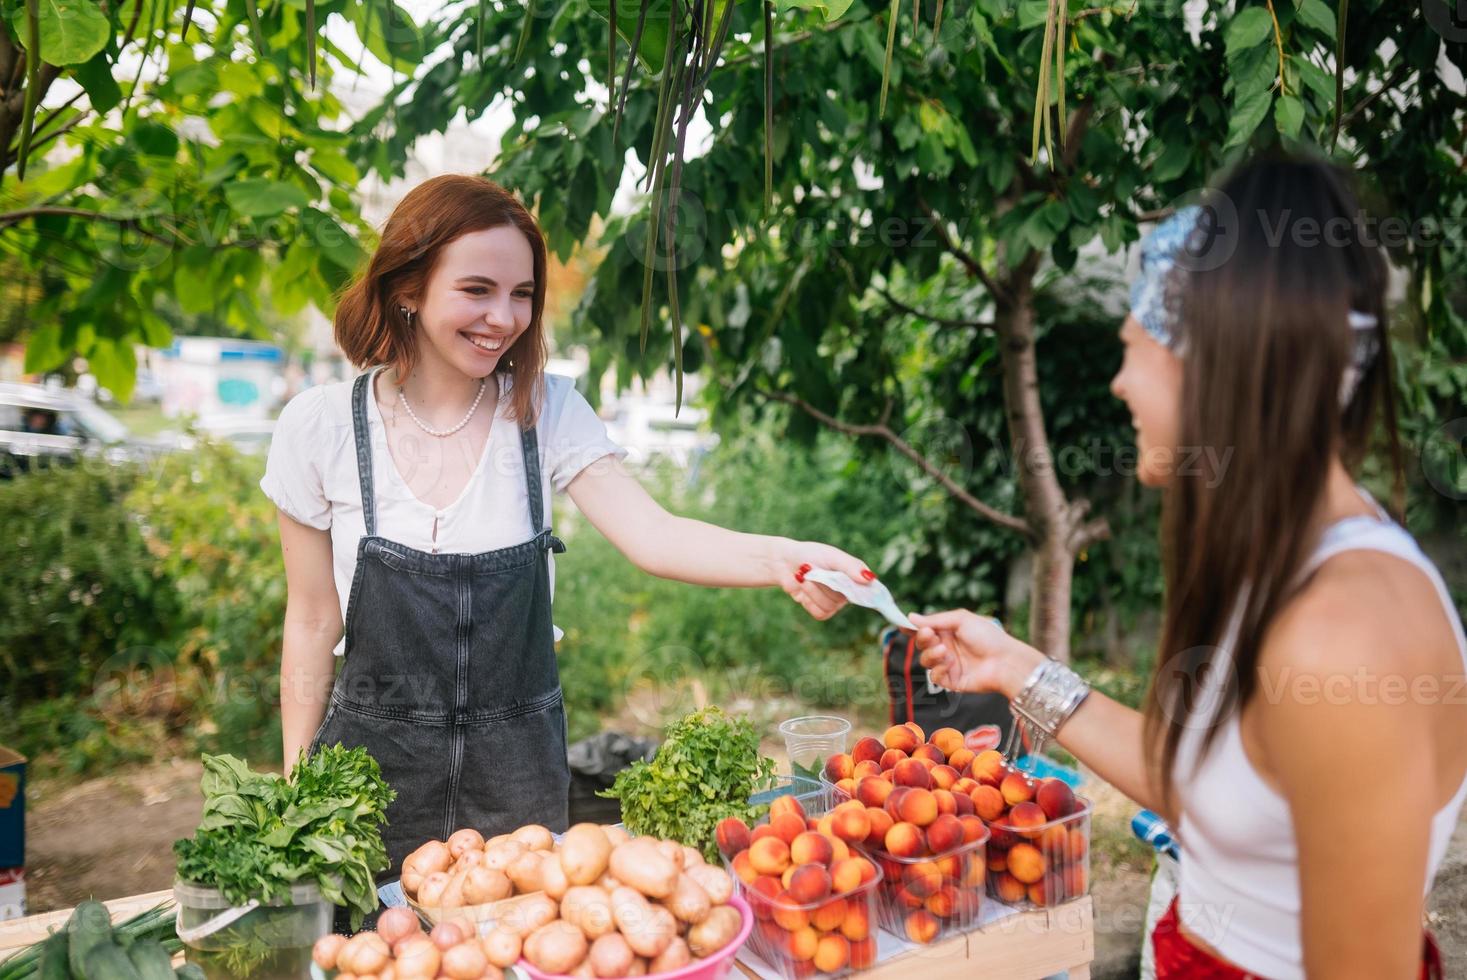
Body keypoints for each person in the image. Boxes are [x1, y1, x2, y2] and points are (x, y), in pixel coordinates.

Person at [911, 155, 1466, 979]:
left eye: (1135, 348)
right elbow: (1208, 790)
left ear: (1212, 368)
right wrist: (1019, 669)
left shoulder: (1344, 639)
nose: (1119, 383)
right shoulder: (1281, 569)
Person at [262, 174, 872, 878]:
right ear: (408, 288)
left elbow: (656, 535)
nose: (504, 317)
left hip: (516, 786)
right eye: (477, 290)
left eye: (522, 294)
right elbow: (311, 620)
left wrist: (782, 559)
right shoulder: (322, 426)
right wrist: (295, 789)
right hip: (369, 782)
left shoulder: (546, 413)